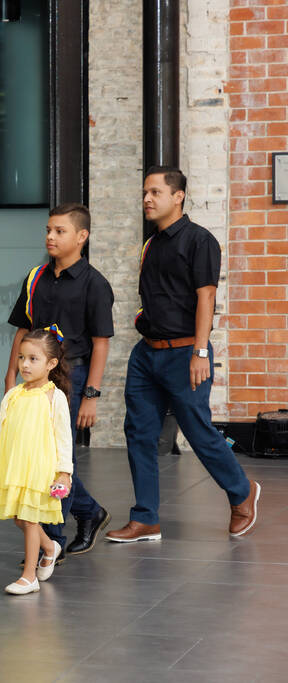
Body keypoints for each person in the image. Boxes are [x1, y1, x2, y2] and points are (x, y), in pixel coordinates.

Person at [106, 166, 260, 542]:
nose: (147, 199)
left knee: (197, 430)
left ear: (178, 197)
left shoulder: (199, 240)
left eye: (155, 192)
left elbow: (206, 297)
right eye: (145, 192)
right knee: (139, 433)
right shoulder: (151, 243)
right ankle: (145, 518)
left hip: (184, 353)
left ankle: (241, 492)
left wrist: (201, 351)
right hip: (146, 355)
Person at [4, 203, 112, 561]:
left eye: (59, 231)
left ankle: (51, 543)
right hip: (35, 375)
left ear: (82, 236)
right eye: (48, 230)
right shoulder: (35, 277)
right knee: (38, 454)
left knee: (60, 456)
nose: (50, 236)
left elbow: (100, 342)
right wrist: (11, 374)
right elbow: (23, 329)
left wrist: (91, 395)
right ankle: (88, 512)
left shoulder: (95, 284)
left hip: (74, 375)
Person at [0, 328, 73, 595]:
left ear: (51, 364)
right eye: (22, 357)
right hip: (15, 466)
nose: (24, 364)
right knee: (19, 519)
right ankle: (50, 547)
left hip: (39, 469)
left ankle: (29, 576)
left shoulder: (54, 397)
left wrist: (63, 472)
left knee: (30, 519)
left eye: (33, 359)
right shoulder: (12, 395)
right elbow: (1, 432)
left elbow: (64, 438)